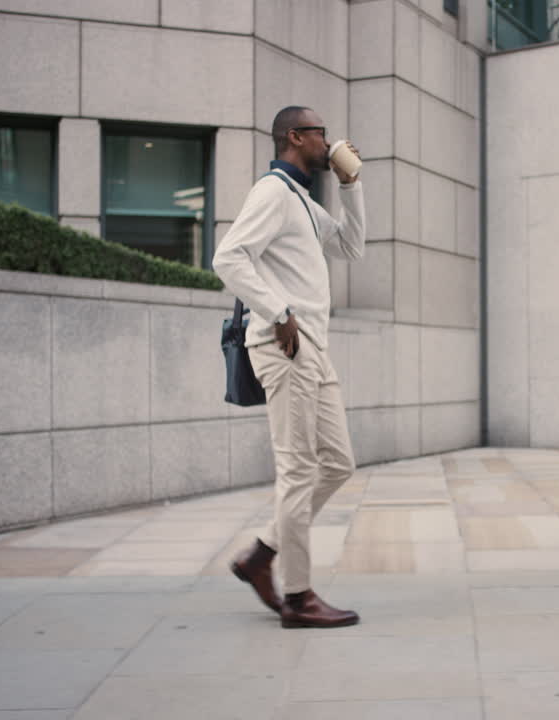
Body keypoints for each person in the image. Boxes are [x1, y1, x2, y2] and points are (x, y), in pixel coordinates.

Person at [212, 106, 365, 628]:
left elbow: (350, 246)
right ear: (296, 136)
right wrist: (278, 312)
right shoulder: (273, 192)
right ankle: (298, 598)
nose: (328, 141)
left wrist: (351, 185)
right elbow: (228, 258)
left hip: (313, 348)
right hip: (287, 347)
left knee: (338, 463)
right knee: (299, 470)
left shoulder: (300, 197)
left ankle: (260, 556)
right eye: (321, 133)